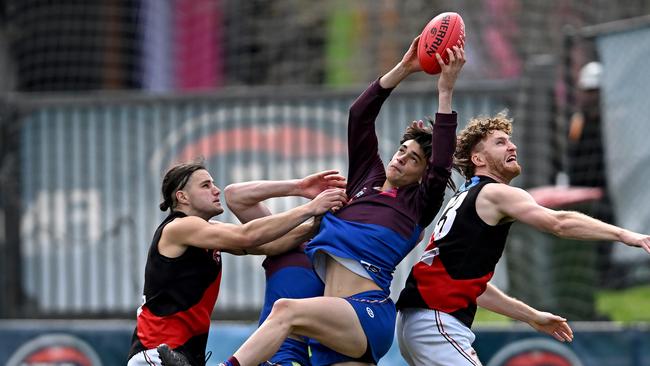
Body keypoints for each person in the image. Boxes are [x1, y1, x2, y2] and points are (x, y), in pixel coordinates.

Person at [212, 35, 464, 366]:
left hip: (365, 312)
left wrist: (445, 91)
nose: (402, 158)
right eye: (403, 150)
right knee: (290, 312)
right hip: (331, 324)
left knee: (285, 310)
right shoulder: (365, 180)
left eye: (414, 159)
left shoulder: (416, 205)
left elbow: (442, 162)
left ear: (422, 174)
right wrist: (404, 68)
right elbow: (359, 115)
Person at [395, 111, 650, 366]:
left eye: (510, 140)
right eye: (500, 142)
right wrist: (624, 234)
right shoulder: (494, 192)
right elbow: (558, 223)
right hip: (436, 320)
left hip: (415, 321)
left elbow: (474, 289)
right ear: (478, 158)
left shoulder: (466, 196)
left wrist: (532, 316)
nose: (512, 145)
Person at [126, 161, 347, 366]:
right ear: (182, 197)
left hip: (180, 356)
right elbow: (247, 235)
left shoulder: (207, 231)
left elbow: (270, 245)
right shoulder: (180, 227)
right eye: (205, 185)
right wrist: (311, 208)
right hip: (158, 354)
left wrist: (318, 223)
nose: (216, 190)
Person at [224, 170, 346, 366]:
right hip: (276, 354)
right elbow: (234, 196)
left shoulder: (351, 266)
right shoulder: (287, 244)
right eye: (331, 204)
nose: (335, 212)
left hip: (323, 357)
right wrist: (299, 187)